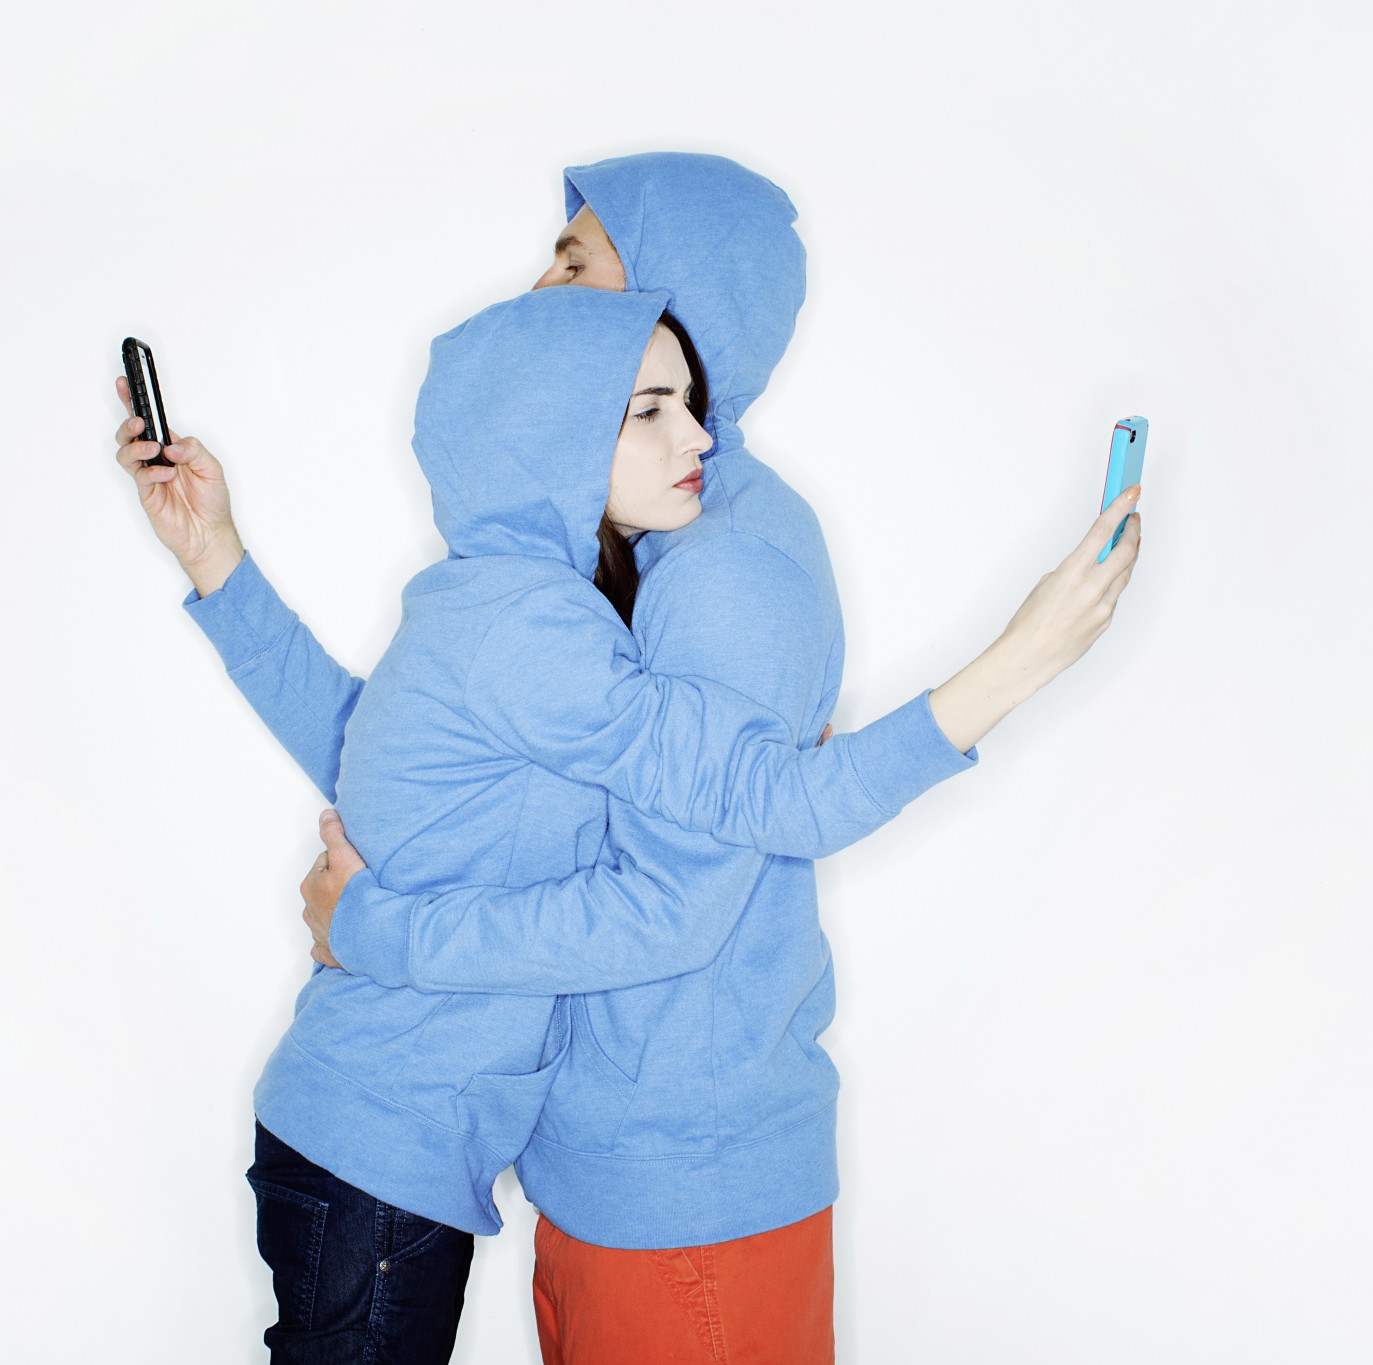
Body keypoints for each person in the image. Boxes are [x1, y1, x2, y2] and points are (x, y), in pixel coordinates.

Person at [292, 153, 1144, 1364]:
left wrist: (373, 930)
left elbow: (682, 898)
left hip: (682, 1196)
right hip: (617, 1177)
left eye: (576, 263)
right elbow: (437, 745)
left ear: (670, 311)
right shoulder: (622, 536)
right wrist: (219, 571)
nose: (540, 286)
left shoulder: (717, 568)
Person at [112, 282, 1035, 1360]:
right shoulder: (533, 628)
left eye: (687, 402)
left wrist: (216, 561)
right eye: (648, 411)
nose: (698, 436)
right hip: (382, 1149)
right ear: (552, 434)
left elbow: (372, 753)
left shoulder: (490, 597)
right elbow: (763, 801)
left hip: (367, 1139)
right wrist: (1008, 671)